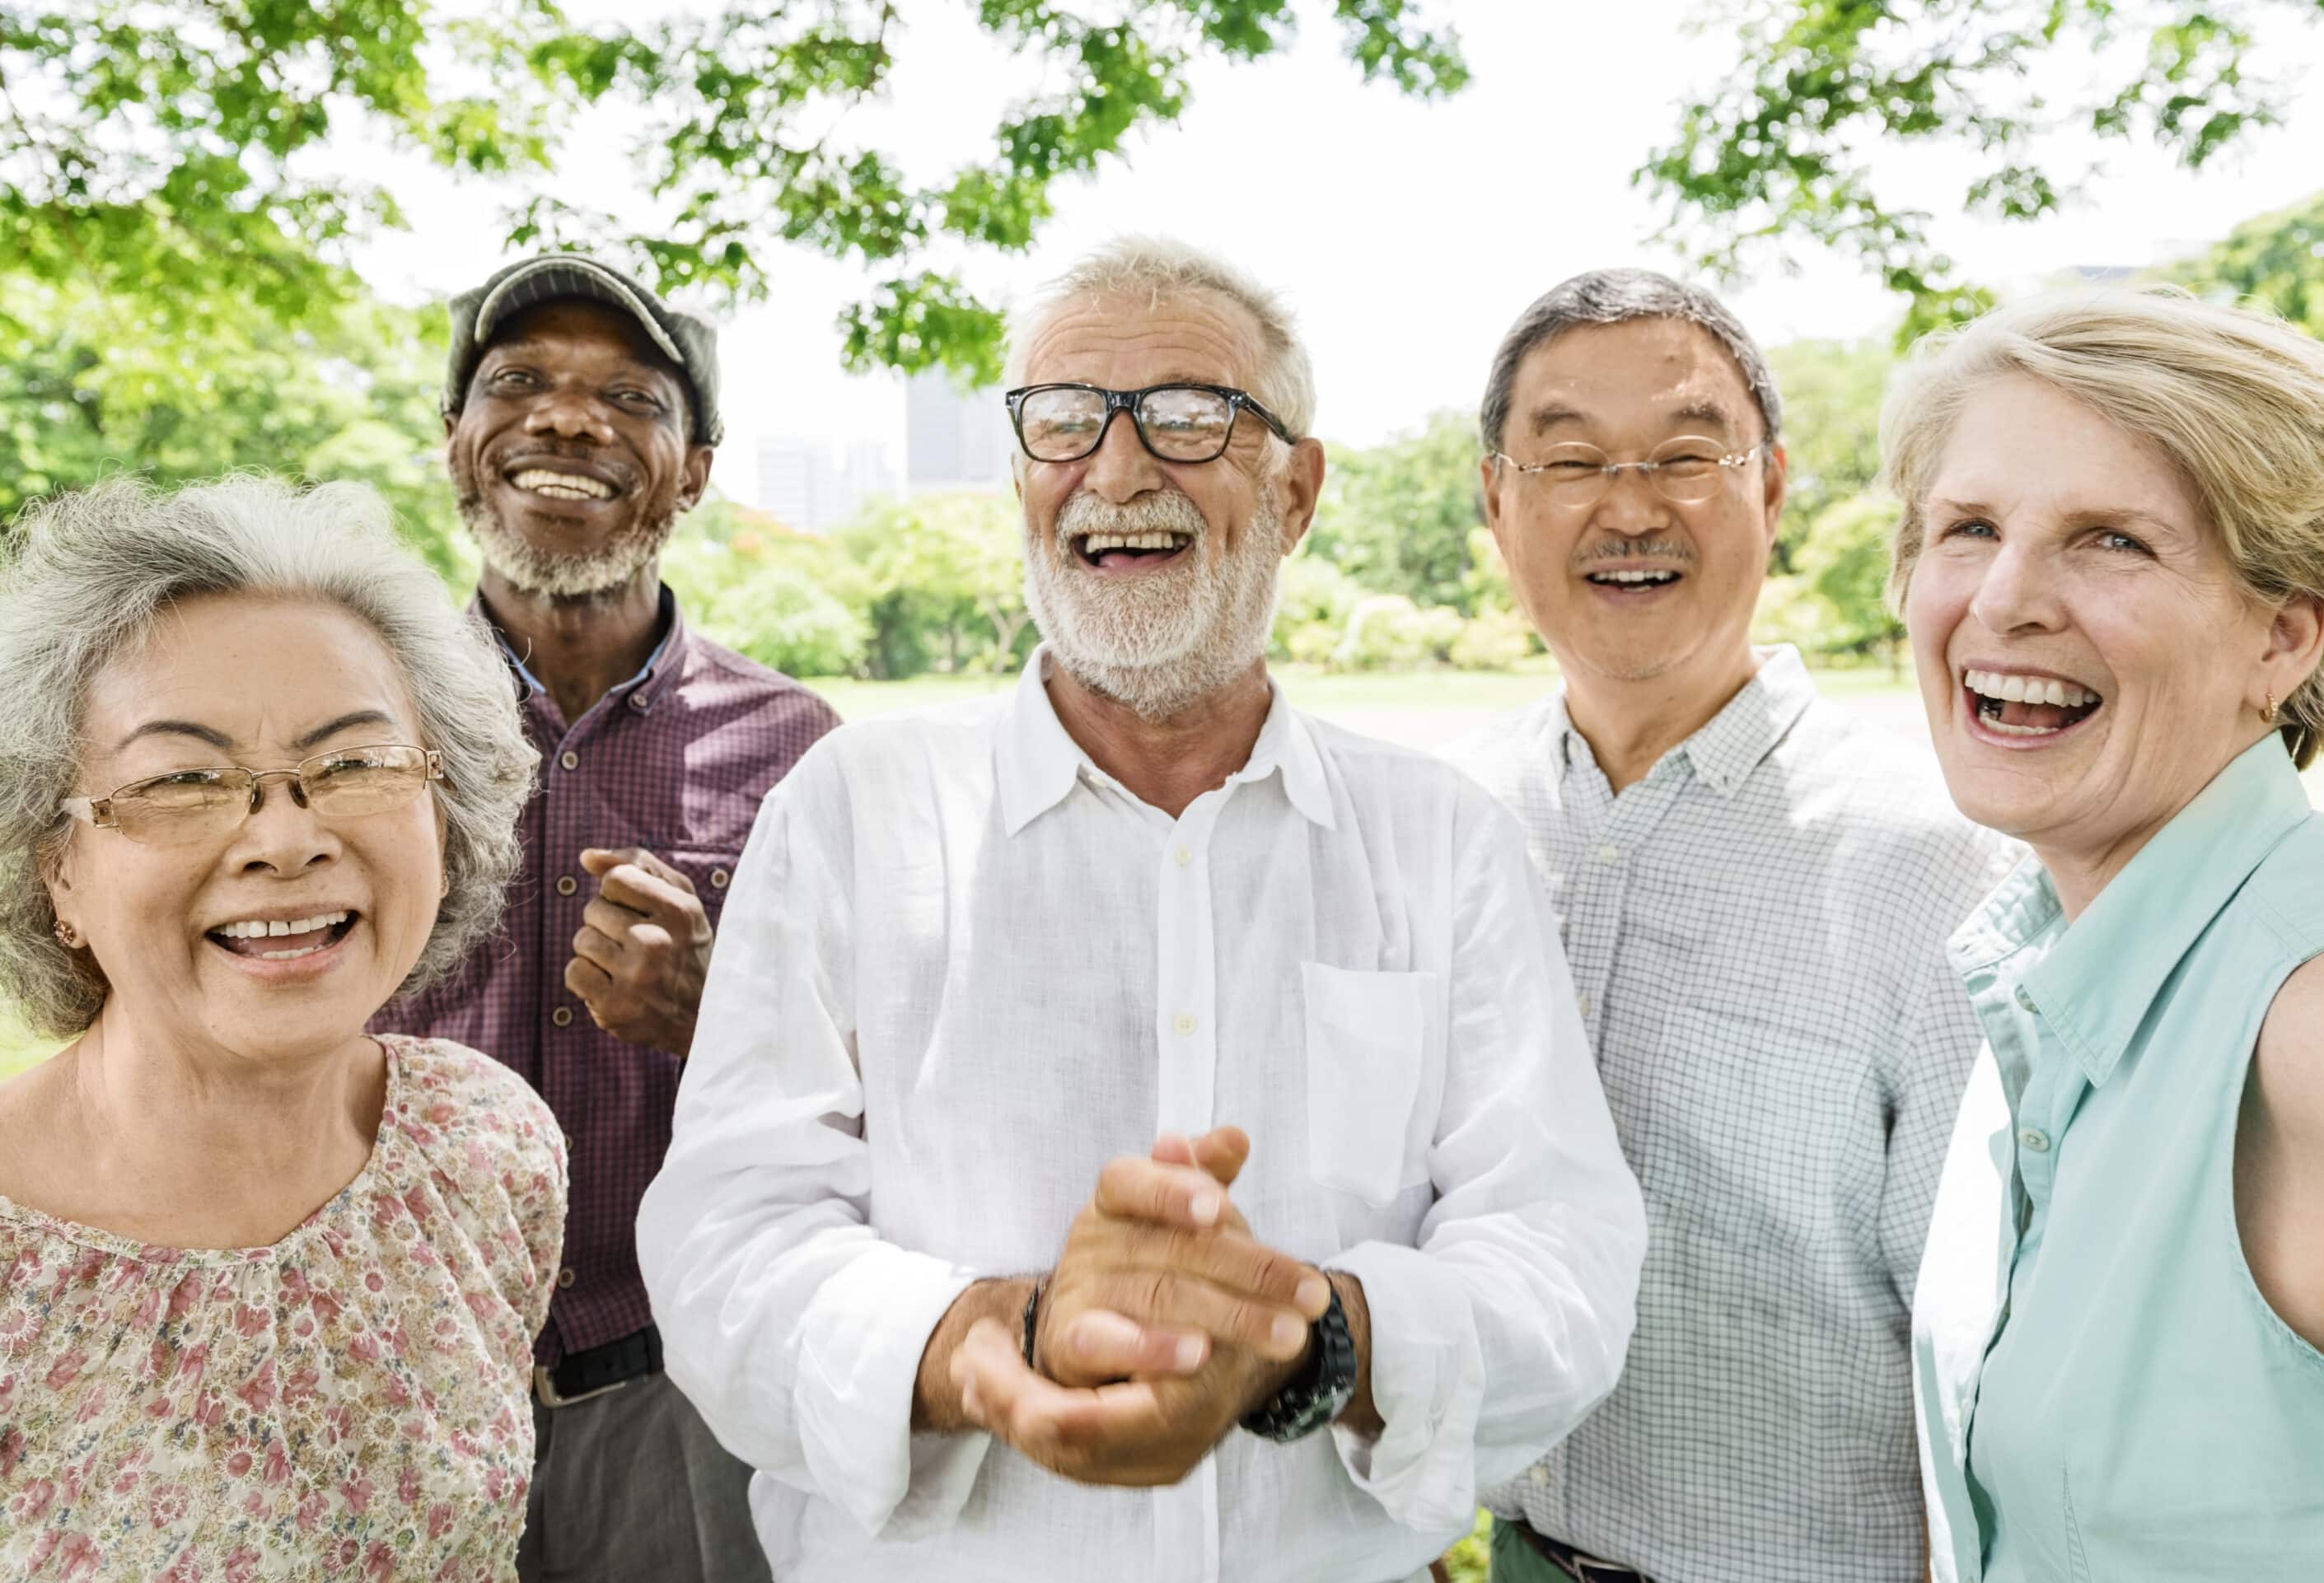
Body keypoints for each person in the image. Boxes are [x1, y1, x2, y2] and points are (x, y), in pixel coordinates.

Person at [636, 236, 1648, 1583]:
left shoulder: (1440, 840)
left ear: (1295, 491)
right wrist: (992, 1341)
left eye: (1189, 415)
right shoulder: (854, 810)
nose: (1117, 470)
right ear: (1019, 479)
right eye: (1065, 420)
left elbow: (1561, 1254)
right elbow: (726, 1246)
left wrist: (1313, 1338)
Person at [1456, 269, 2017, 1583]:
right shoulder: (1453, 828)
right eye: (1571, 459)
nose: (1630, 505)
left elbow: (1982, 1355)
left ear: (1770, 486)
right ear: (1497, 501)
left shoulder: (1934, 859)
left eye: (1686, 453)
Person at [1891, 288, 2324, 1580]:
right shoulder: (2038, 963)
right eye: (1969, 527)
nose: (2005, 598)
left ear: (2284, 634)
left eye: (2111, 540)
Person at [373, 253, 839, 1581]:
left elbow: (888, 1096)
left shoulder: (800, 747)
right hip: (395, 1378)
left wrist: (720, 1011)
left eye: (628, 396)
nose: (567, 420)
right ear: (455, 444)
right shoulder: (355, 721)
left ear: (693, 468)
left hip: (684, 1395)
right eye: (517, 383)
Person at [0, 476, 560, 1579]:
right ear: (55, 864)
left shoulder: (485, 1145)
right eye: (183, 779)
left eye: (354, 763)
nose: (284, 838)